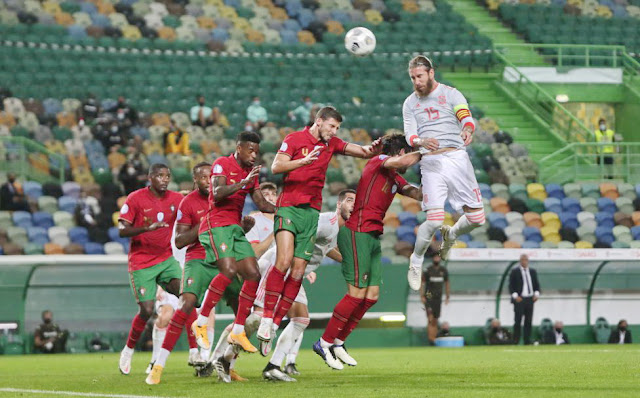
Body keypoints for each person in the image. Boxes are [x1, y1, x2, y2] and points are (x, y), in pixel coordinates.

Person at [145, 132, 276, 385]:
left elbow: (256, 202)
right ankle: (158, 365)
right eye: (203, 177)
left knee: (246, 304)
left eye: (210, 176)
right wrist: (205, 222)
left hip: (223, 247)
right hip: (199, 258)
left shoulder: (246, 178)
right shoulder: (190, 202)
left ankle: (227, 361)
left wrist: (280, 210)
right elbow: (180, 241)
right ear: (196, 180)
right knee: (186, 306)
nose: (208, 180)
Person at [256, 106, 382, 348]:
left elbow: (361, 152)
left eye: (337, 128)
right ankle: (265, 318)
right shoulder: (294, 139)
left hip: (311, 212)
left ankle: (273, 324)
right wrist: (303, 161)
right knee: (283, 262)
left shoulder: (331, 143)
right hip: (289, 207)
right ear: (319, 121)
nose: (334, 132)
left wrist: (372, 148)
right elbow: (276, 167)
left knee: (297, 271)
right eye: (331, 126)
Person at [314, 133, 422, 370]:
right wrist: (428, 150)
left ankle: (339, 342)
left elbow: (415, 194)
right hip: (357, 232)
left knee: (371, 297)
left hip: (373, 236)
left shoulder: (394, 177)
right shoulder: (379, 161)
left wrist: (437, 186)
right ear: (402, 152)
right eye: (408, 154)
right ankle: (324, 342)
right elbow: (402, 162)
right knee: (355, 295)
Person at [404, 55, 485, 290]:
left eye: (419, 76)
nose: (416, 81)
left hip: (457, 158)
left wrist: (468, 129)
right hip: (431, 162)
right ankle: (416, 259)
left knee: (477, 219)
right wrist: (420, 140)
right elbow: (410, 135)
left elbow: (465, 117)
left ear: (431, 73)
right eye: (412, 77)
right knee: (434, 219)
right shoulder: (409, 103)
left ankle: (452, 234)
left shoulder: (451, 93)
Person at [257, 189, 355, 382]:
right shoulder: (327, 222)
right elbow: (296, 237)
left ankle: (273, 366)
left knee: (301, 320)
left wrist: (345, 260)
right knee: (256, 318)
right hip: (279, 265)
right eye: (349, 200)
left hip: (295, 272)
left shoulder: (340, 230)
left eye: (356, 203)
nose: (353, 205)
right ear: (338, 204)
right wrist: (298, 266)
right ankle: (224, 357)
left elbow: (325, 248)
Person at [117, 164, 184, 375]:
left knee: (187, 295)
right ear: (150, 177)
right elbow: (121, 230)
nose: (164, 179)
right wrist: (147, 228)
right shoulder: (136, 198)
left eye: (167, 176)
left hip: (165, 259)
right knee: (146, 310)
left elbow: (193, 205)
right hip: (141, 262)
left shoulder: (175, 199)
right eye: (160, 176)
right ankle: (128, 350)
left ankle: (197, 351)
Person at [509, 254, 541, 345]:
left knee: (528, 321)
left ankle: (527, 341)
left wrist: (536, 294)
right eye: (522, 260)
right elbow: (511, 285)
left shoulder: (532, 271)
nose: (524, 261)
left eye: (526, 260)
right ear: (520, 261)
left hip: (530, 299)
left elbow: (536, 284)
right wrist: (515, 296)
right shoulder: (515, 271)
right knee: (518, 321)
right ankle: (516, 340)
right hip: (520, 299)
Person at [420, 254, 450, 344]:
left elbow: (447, 283)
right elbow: (422, 283)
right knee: (430, 317)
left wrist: (447, 296)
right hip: (429, 296)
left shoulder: (443, 270)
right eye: (435, 257)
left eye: (438, 257)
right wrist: (422, 296)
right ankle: (431, 339)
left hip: (438, 297)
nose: (436, 258)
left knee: (435, 319)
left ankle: (434, 339)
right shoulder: (428, 270)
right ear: (432, 259)